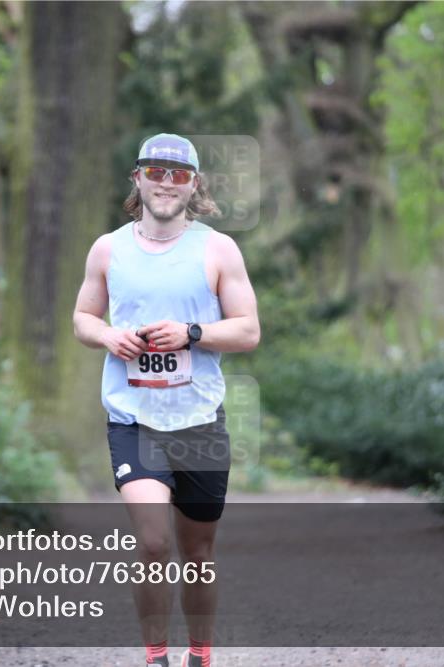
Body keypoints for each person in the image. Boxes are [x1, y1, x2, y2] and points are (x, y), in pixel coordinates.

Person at [73, 134, 260, 667]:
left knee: (198, 554)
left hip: (199, 422)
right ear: (137, 178)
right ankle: (155, 657)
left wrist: (192, 333)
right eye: (157, 171)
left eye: (179, 175)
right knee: (154, 545)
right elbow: (83, 318)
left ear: (194, 185)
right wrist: (108, 337)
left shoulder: (218, 248)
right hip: (134, 419)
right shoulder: (108, 248)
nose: (166, 182)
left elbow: (248, 331)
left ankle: (199, 655)